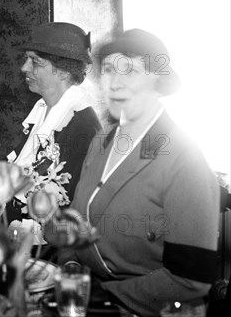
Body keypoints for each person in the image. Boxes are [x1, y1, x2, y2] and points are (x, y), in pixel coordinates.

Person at [58, 29, 219, 316]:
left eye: (129, 70)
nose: (115, 83)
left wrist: (100, 298)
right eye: (108, 70)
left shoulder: (183, 157)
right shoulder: (100, 143)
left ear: (156, 81)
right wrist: (70, 264)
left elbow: (190, 279)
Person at [7, 23, 101, 220]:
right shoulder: (40, 111)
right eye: (26, 59)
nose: (24, 68)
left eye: (35, 61)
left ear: (63, 71)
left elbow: (72, 209)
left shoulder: (83, 127)